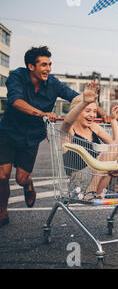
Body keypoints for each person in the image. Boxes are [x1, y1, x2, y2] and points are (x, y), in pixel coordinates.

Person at [0, 46, 79, 228]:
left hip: (32, 137)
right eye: (44, 65)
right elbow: (15, 100)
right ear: (30, 66)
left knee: (20, 178)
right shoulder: (16, 77)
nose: (48, 69)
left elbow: (75, 98)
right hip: (9, 132)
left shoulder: (53, 83)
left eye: (50, 64)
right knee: (2, 176)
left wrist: (98, 108)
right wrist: (41, 113)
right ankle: (2, 211)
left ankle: (27, 184)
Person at [61, 84, 118, 201]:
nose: (92, 115)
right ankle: (90, 191)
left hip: (102, 178)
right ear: (76, 111)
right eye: (87, 111)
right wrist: (84, 102)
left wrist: (113, 121)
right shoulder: (69, 130)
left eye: (94, 111)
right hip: (81, 184)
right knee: (112, 150)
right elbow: (66, 122)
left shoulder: (94, 127)